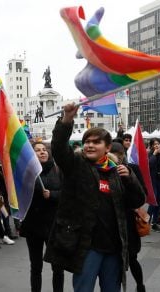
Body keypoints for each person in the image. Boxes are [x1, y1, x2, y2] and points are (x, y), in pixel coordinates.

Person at [44, 103, 145, 292]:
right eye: (87, 142)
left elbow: (138, 200)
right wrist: (67, 119)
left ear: (107, 148)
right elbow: (58, 148)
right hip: (86, 246)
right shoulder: (76, 165)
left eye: (96, 142)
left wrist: (130, 179)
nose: (90, 145)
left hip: (114, 247)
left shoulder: (118, 171)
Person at [20, 142, 64, 292]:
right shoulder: (27, 172)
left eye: (44, 150)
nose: (42, 152)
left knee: (57, 266)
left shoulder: (58, 170)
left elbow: (68, 194)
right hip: (33, 225)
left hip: (54, 225)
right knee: (36, 266)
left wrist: (52, 195)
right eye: (37, 150)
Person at [109, 142, 146, 292]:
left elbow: (143, 193)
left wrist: (129, 179)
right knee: (114, 261)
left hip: (128, 221)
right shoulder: (104, 170)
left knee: (131, 258)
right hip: (111, 222)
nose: (114, 159)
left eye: (117, 156)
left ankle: (140, 285)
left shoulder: (132, 169)